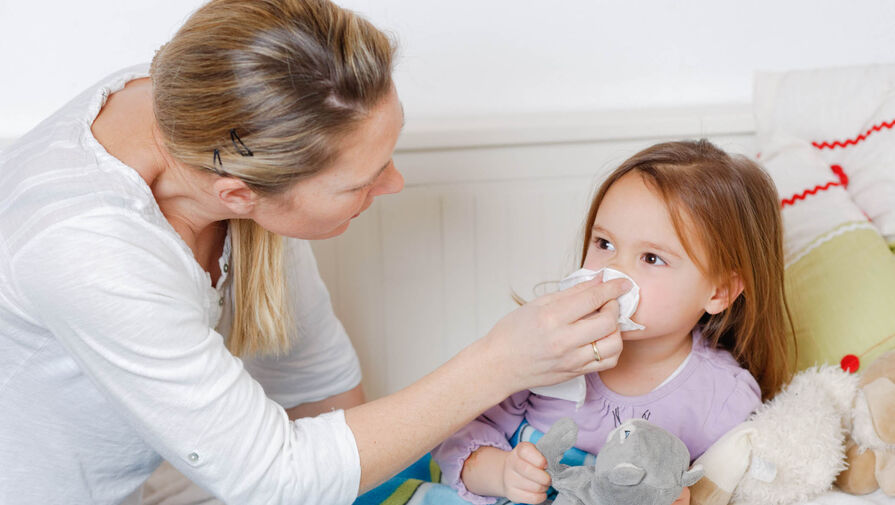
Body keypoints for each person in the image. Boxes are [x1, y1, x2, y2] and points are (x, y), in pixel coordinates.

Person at [0, 1, 632, 504]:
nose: (394, 185)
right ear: (239, 194)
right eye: (360, 182)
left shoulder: (212, 113)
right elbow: (277, 481)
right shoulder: (86, 250)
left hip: (171, 468)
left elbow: (315, 380)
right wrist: (501, 363)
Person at [432, 140, 797, 505]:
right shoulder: (548, 348)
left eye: (652, 258)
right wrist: (500, 472)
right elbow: (457, 439)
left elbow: (730, 489)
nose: (612, 271)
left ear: (719, 291)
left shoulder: (722, 397)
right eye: (604, 243)